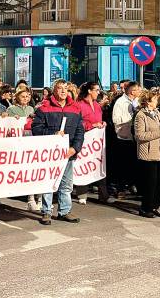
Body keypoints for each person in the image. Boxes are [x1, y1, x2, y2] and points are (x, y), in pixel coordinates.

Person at [32, 79, 85, 225]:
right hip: (50, 153)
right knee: (49, 183)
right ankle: (46, 212)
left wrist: (75, 148)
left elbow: (80, 131)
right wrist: (53, 133)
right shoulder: (44, 107)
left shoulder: (75, 108)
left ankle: (64, 211)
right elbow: (36, 129)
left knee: (66, 185)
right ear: (54, 90)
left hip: (68, 153)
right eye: (60, 88)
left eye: (65, 88)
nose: (63, 91)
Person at [133, 90, 160, 218]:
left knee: (158, 183)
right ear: (148, 102)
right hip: (148, 153)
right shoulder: (140, 115)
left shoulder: (156, 113)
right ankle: (145, 208)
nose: (157, 101)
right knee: (149, 183)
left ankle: (154, 206)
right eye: (155, 99)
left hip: (159, 153)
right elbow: (140, 136)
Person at [75, 82, 107, 205]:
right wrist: (91, 125)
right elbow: (78, 123)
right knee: (84, 164)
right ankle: (82, 194)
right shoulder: (79, 105)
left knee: (99, 163)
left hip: (96, 141)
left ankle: (103, 195)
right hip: (85, 139)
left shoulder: (97, 105)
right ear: (89, 91)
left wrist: (102, 123)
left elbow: (99, 119)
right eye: (96, 90)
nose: (98, 92)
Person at [111, 82, 142, 198]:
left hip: (134, 137)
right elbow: (116, 119)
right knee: (123, 165)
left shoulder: (136, 101)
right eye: (138, 90)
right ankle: (121, 188)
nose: (140, 92)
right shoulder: (120, 102)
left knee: (133, 164)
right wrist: (132, 118)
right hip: (123, 137)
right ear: (132, 91)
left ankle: (132, 185)